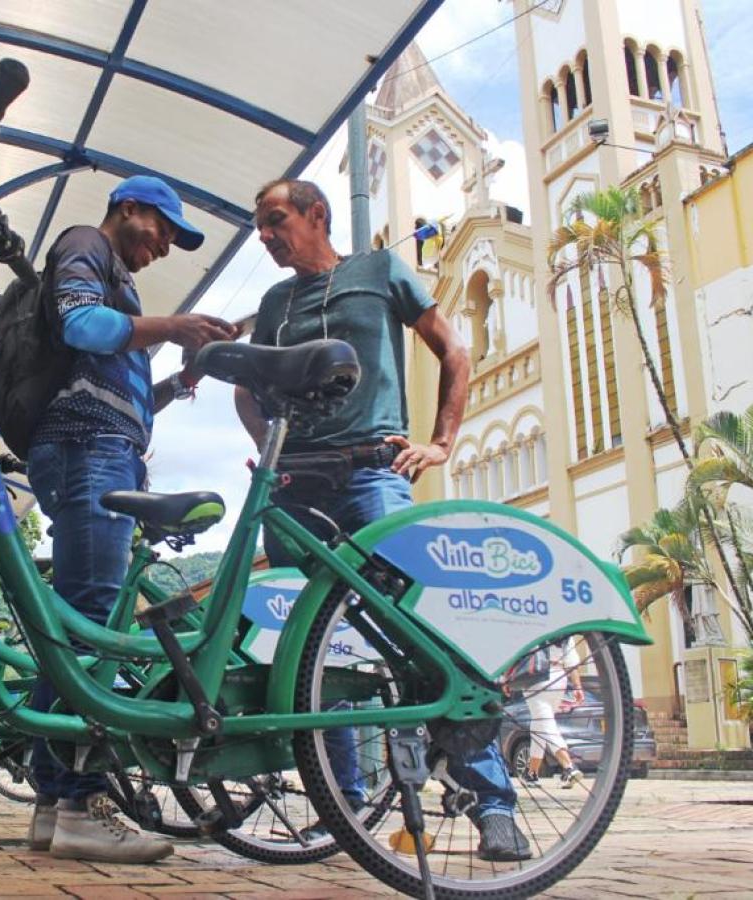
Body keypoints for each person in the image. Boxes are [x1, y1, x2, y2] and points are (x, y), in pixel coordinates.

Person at [234, 177, 531, 863]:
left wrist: (441, 443)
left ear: (317, 215)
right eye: (260, 227)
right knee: (312, 652)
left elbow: (453, 351)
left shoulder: (379, 271)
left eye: (277, 220)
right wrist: (265, 447)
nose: (266, 236)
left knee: (420, 629)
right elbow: (249, 389)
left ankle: (492, 803)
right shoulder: (274, 302)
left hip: (374, 473)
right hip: (293, 488)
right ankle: (343, 807)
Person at [24, 175, 238, 863]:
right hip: (89, 453)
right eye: (165, 228)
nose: (168, 245)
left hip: (97, 448)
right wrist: (173, 326)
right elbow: (80, 322)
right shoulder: (88, 245)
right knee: (92, 621)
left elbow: (117, 383)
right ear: (130, 209)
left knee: (76, 623)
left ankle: (54, 802)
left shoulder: (128, 286)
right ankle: (84, 799)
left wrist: (175, 381)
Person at [516, 639, 586, 788]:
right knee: (539, 723)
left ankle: (568, 766)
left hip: (536, 674)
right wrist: (578, 686)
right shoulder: (566, 632)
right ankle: (532, 773)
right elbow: (572, 662)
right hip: (560, 677)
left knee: (545, 723)